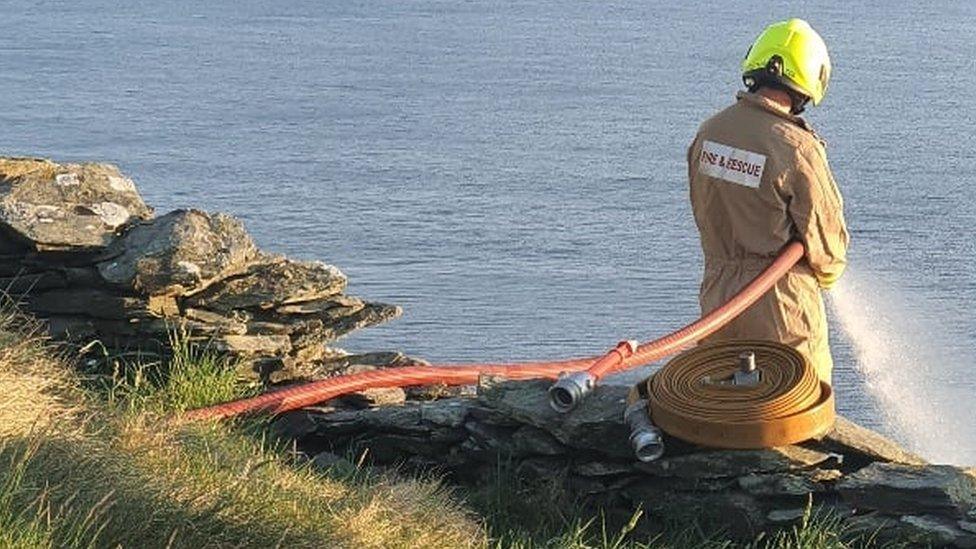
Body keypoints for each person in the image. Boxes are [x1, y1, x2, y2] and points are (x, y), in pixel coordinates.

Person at [687, 18, 849, 383]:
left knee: (724, 405)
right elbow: (827, 246)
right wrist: (826, 275)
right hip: (782, 307)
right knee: (798, 408)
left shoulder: (709, 132)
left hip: (719, 299)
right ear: (809, 78)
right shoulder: (796, 147)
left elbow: (704, 207)